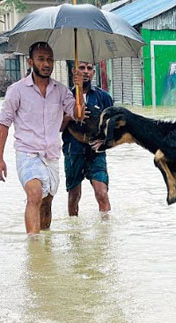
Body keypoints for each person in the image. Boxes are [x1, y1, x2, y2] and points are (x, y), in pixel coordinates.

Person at [0, 42, 85, 235]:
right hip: (27, 153)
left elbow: (77, 114)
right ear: (30, 62)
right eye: (41, 59)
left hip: (51, 154)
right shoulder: (17, 90)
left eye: (50, 60)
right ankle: (34, 250)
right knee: (34, 194)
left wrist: (79, 87)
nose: (46, 64)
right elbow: (4, 123)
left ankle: (45, 248)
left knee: (46, 202)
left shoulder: (61, 90)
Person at [60, 61, 113, 216]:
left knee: (102, 193)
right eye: (81, 68)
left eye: (89, 68)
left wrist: (105, 142)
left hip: (96, 150)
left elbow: (113, 126)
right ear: (73, 71)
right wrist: (70, 116)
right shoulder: (65, 97)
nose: (85, 71)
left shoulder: (103, 97)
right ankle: (74, 234)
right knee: (74, 196)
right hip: (73, 151)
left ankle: (105, 235)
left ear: (94, 73)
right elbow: (57, 128)